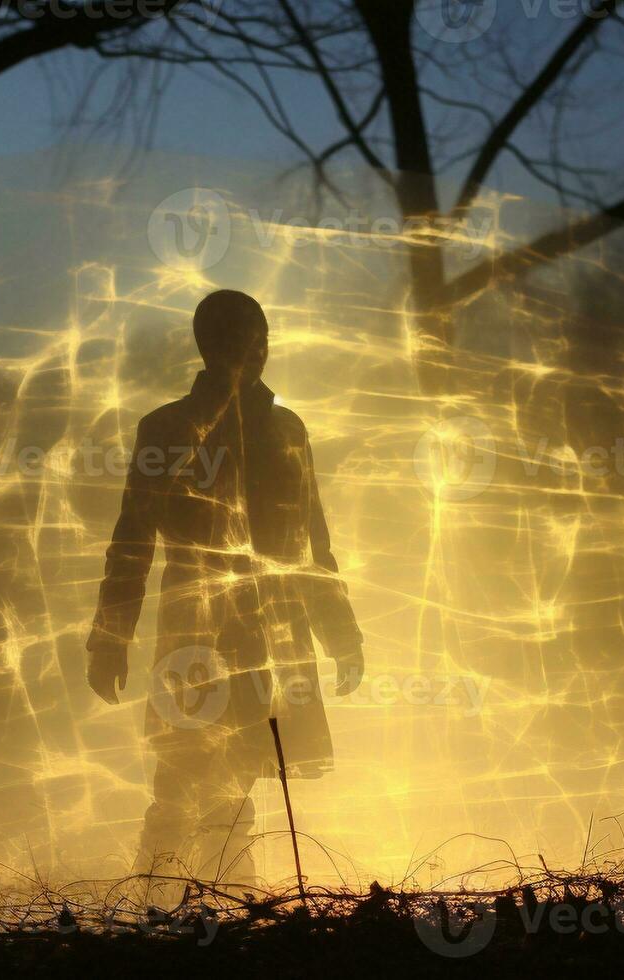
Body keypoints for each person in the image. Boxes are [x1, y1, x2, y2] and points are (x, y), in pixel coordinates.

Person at [86, 289, 364, 889]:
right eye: (239, 339)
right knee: (181, 784)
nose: (253, 352)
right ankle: (158, 911)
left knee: (239, 787)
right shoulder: (165, 430)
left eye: (260, 339)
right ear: (208, 348)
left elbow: (314, 542)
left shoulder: (288, 431)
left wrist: (343, 635)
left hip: (271, 636)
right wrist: (108, 641)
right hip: (195, 636)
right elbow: (132, 541)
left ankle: (229, 914)